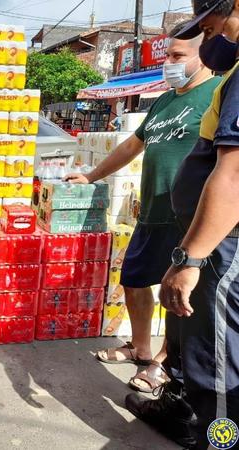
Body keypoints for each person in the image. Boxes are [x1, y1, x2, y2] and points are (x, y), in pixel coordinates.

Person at [66, 24, 219, 397]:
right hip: (151, 209)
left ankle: (163, 364)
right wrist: (91, 175)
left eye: (177, 56)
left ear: (205, 56)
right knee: (133, 281)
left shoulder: (216, 94)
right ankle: (140, 347)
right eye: (167, 55)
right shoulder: (165, 101)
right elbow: (132, 146)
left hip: (188, 217)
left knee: (179, 296)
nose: (168, 63)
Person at [125, 1, 239, 448]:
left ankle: (219, 439)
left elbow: (231, 177)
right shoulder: (229, 73)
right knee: (194, 342)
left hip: (222, 244)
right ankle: (181, 406)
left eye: (208, 20)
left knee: (215, 358)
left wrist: (192, 258)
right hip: (205, 236)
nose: (208, 29)